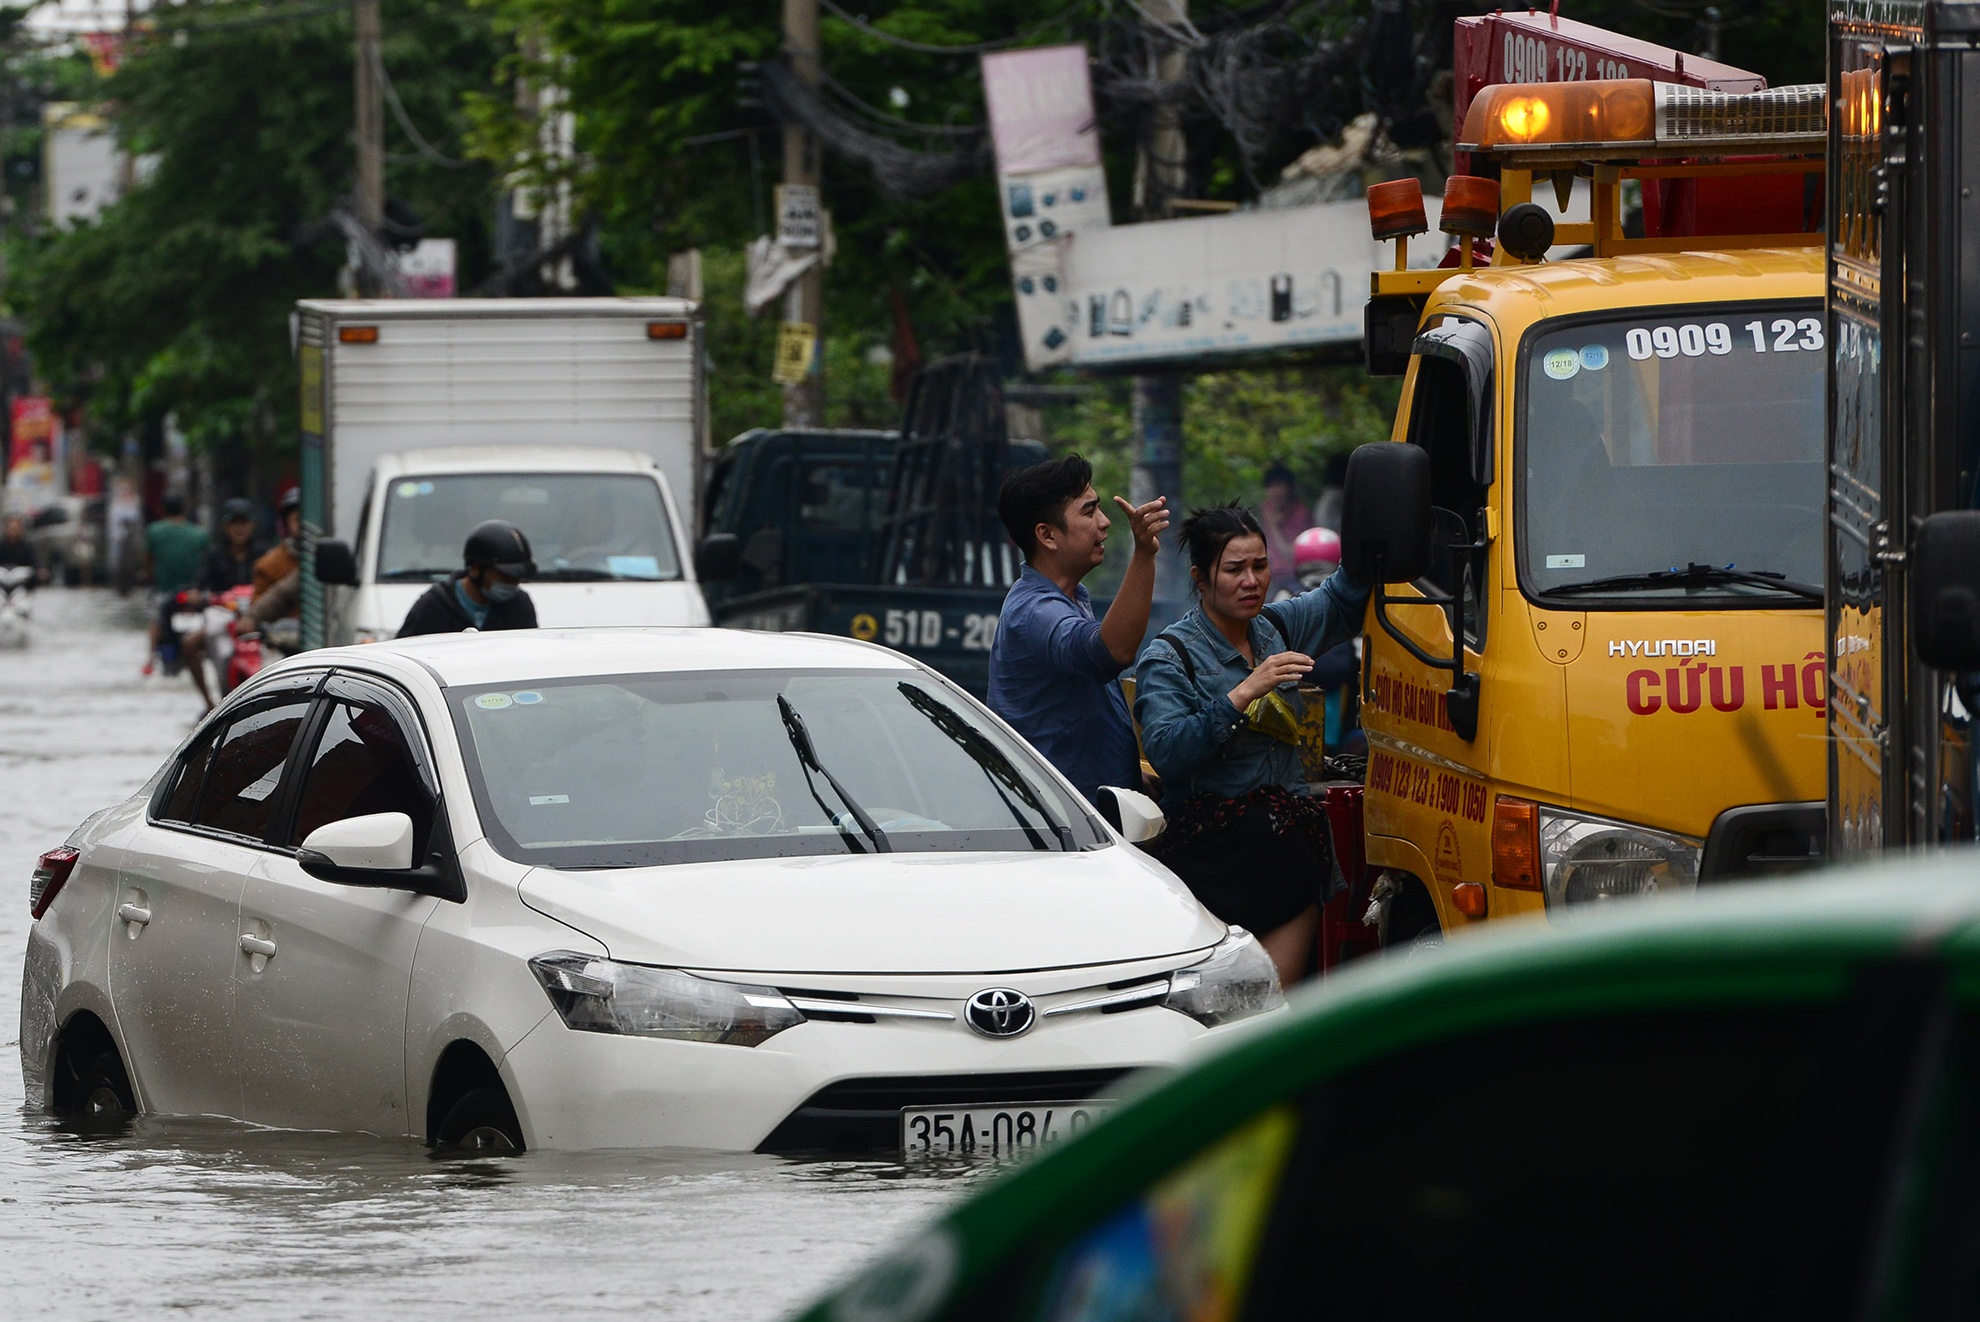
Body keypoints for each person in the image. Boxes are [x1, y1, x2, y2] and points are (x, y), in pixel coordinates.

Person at [1132, 504, 1369, 987]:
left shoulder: (1277, 628)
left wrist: (1375, 530)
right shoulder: (1170, 656)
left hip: (1288, 859)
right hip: (1214, 868)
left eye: (1259, 566)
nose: (1251, 581)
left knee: (1272, 1008)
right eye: (1235, 569)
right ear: (1201, 577)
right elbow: (1167, 752)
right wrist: (1241, 694)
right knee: (1224, 1013)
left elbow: (1343, 599)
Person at [987, 454, 1169, 805]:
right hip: (1060, 817)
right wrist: (1144, 555)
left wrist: (1131, 771)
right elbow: (1111, 652)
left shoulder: (1072, 596)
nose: (1104, 523)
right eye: (1089, 512)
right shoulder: (1035, 611)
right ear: (1048, 535)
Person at [181, 498, 265, 710]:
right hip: (223, 616)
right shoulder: (213, 555)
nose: (240, 528)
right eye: (234, 523)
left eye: (244, 522)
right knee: (190, 643)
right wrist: (195, 595)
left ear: (252, 524)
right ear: (225, 527)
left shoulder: (265, 555)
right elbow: (199, 584)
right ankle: (210, 703)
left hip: (260, 617)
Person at [398, 519, 540, 637]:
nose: (511, 584)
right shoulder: (433, 607)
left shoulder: (520, 605)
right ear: (476, 569)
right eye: (504, 576)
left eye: (516, 578)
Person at [142, 494, 210, 675]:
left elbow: (148, 561)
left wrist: (149, 576)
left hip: (164, 591)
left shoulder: (154, 531)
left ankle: (150, 659)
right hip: (194, 594)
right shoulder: (200, 534)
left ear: (163, 510)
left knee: (155, 620)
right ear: (184, 509)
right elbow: (207, 563)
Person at [1258, 463, 1311, 599]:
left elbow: (1292, 555)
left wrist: (1274, 528)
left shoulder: (1300, 513)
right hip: (1268, 578)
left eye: (1280, 486)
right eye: (1272, 486)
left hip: (1293, 580)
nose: (1276, 491)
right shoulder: (1265, 510)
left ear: (1289, 488)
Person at [0, 512, 39, 581]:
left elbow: (34, 564)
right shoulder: (2, 546)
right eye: (10, 528)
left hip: (22, 582)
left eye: (16, 529)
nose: (13, 532)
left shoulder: (27, 547)